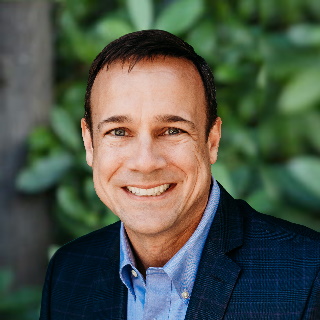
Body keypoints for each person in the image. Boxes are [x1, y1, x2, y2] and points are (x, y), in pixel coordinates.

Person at [39, 30, 320, 320]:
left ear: (212, 141)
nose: (145, 163)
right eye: (119, 132)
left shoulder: (309, 274)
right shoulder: (69, 271)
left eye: (173, 130)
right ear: (90, 144)